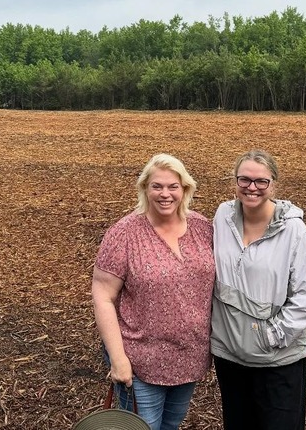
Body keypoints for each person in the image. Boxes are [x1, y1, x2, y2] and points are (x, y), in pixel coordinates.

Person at [91, 153, 215, 430]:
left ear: (185, 189)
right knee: (142, 427)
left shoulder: (202, 227)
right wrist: (118, 358)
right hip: (140, 361)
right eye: (157, 186)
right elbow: (103, 295)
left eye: (173, 186)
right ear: (145, 188)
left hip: (189, 357)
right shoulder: (124, 233)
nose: (165, 194)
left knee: (170, 425)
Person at [211, 149, 306, 430]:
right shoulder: (223, 216)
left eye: (261, 181)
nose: (252, 187)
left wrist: (269, 337)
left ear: (274, 184)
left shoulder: (293, 231)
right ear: (234, 182)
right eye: (244, 179)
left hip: (276, 359)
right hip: (230, 355)